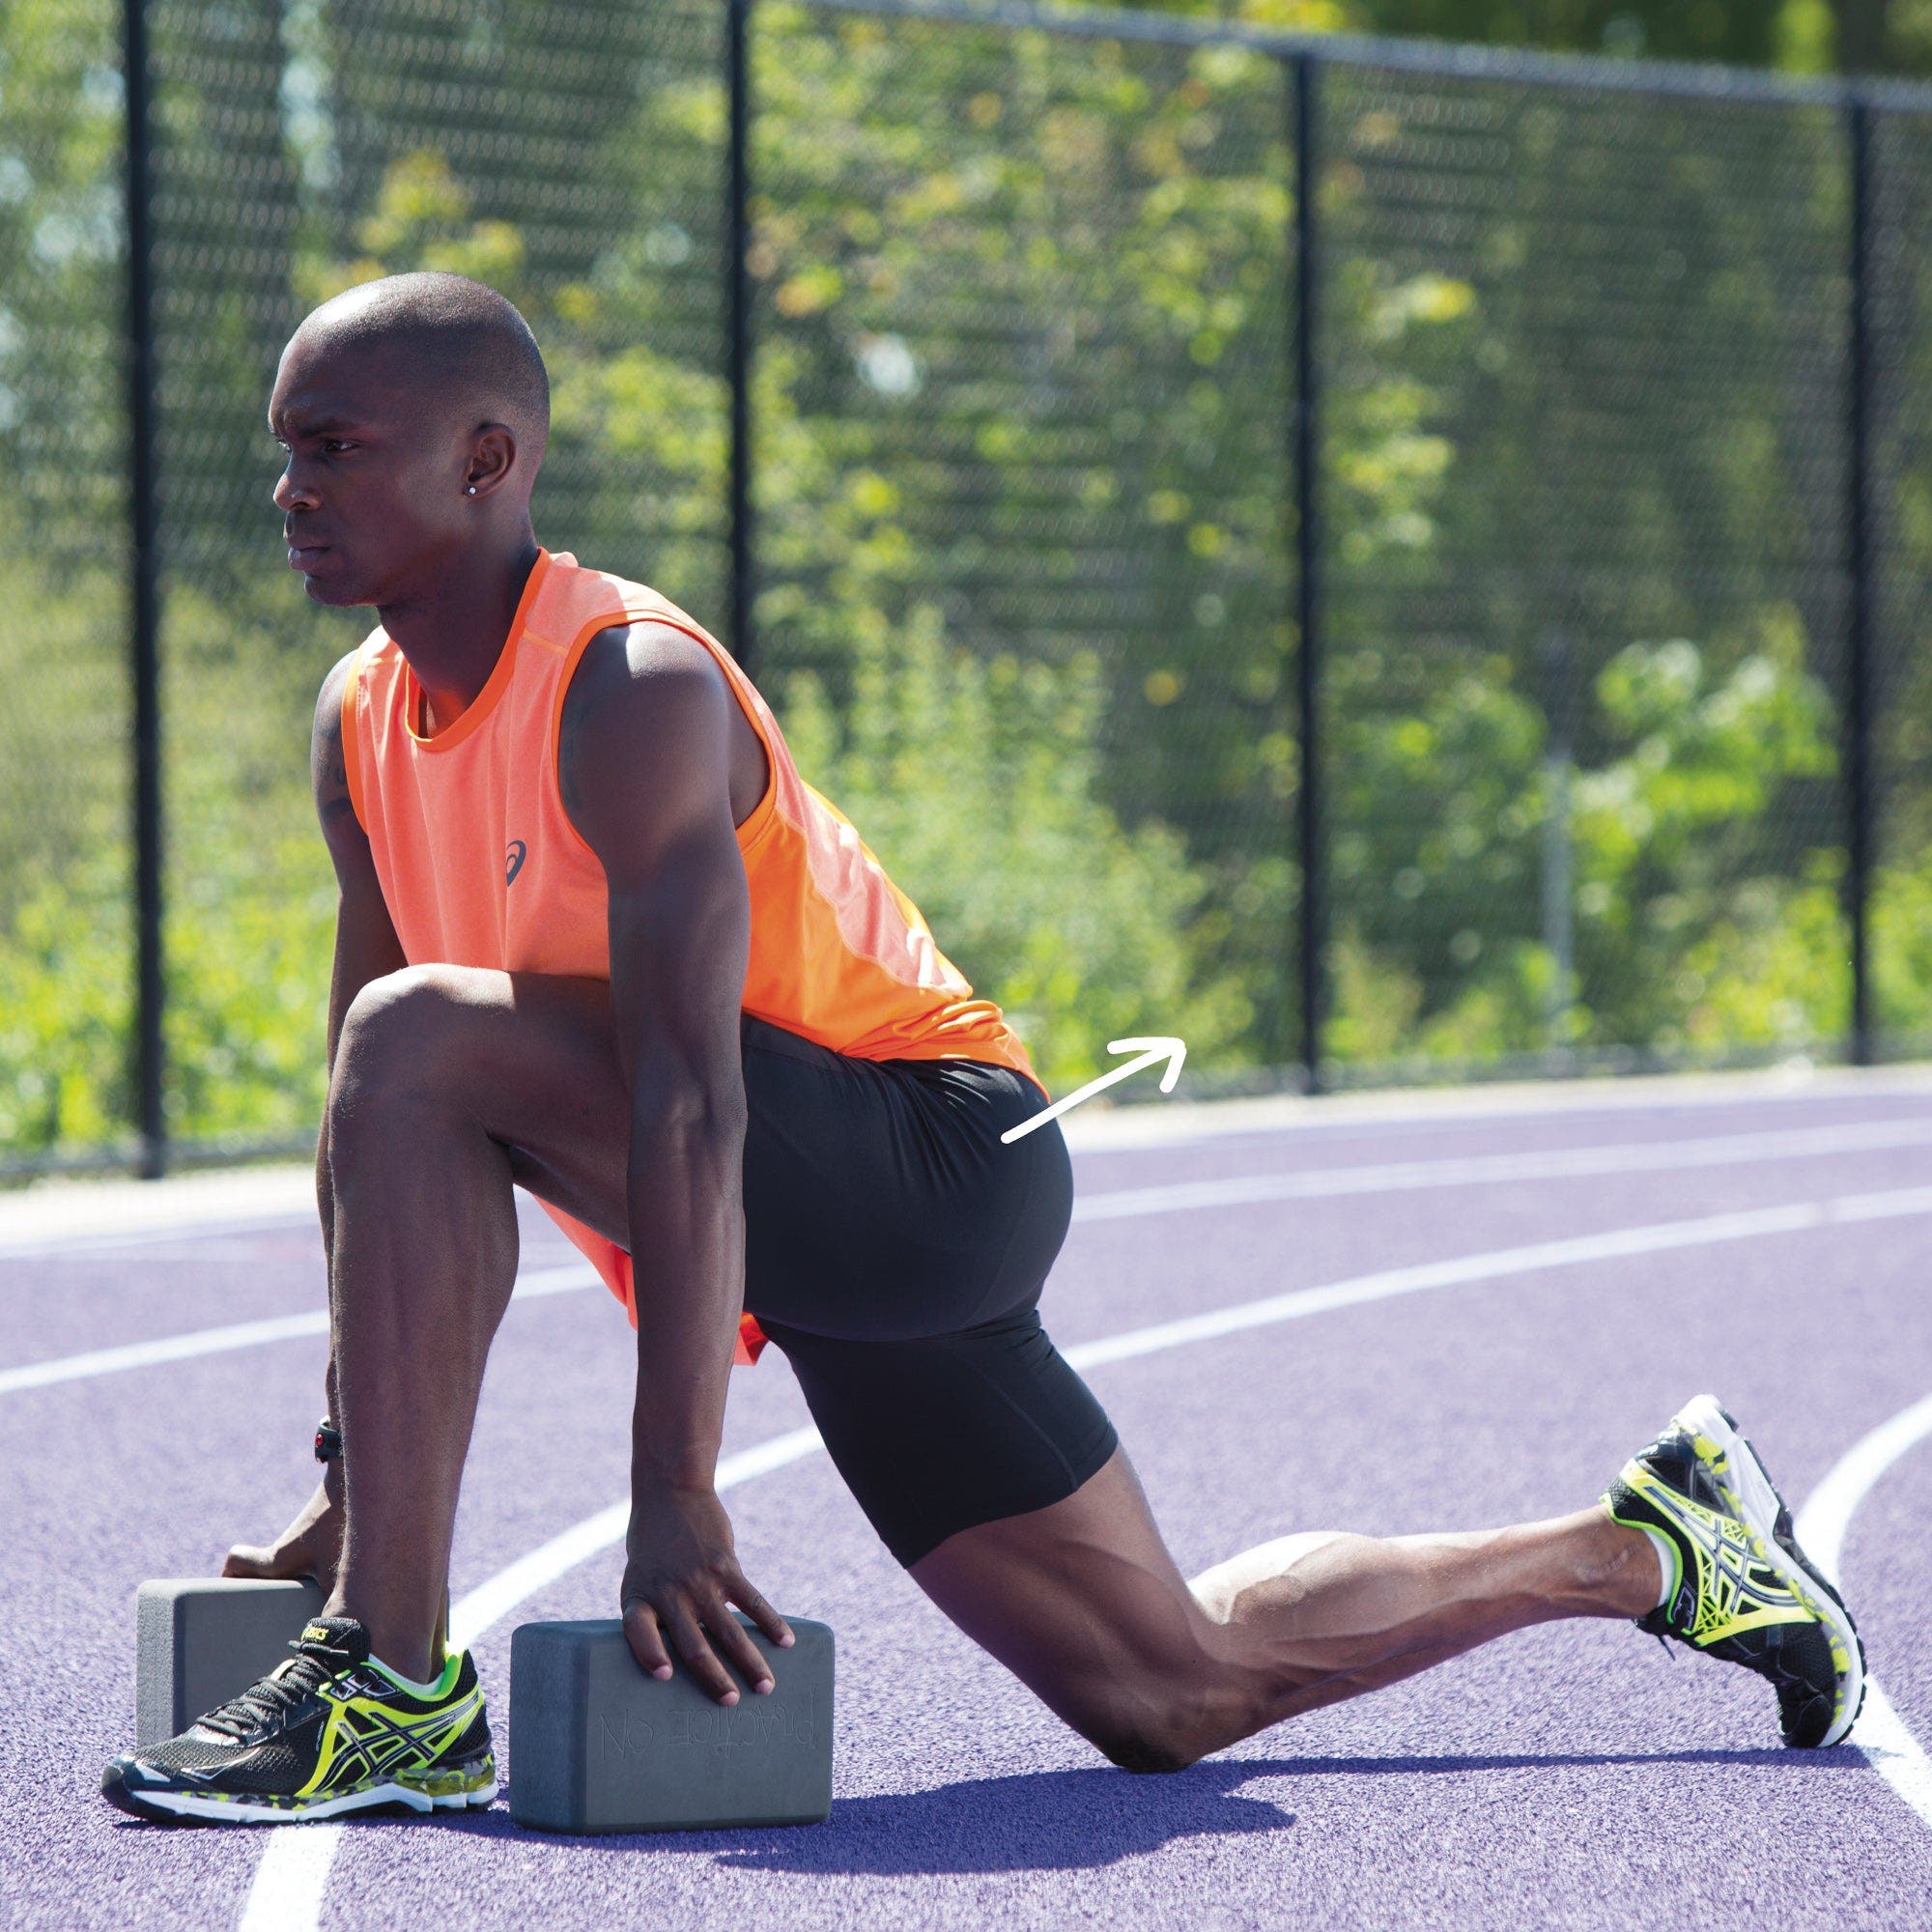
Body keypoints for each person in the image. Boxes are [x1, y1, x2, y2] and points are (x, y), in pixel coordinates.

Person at [101, 273, 1864, 1825]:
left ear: (486, 463)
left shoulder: (628, 687)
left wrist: (676, 1494)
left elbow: (690, 1093)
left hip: (925, 1160)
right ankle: (1653, 1545)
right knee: (1170, 1690)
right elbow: (365, 1131)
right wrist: (355, 1483)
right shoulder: (359, 724)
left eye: (333, 447)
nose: (290, 488)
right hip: (812, 1226)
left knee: (422, 1040)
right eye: (288, 448)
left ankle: (394, 1688)